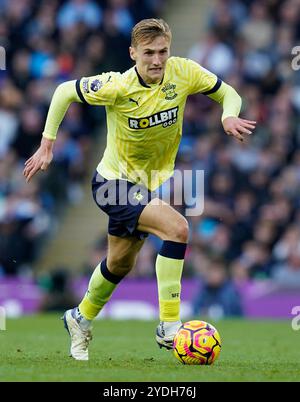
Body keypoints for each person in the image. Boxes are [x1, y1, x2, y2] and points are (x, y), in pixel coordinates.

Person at [23, 18, 256, 361]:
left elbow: (228, 93)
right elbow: (63, 92)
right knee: (178, 228)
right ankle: (169, 325)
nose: (157, 60)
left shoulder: (183, 72)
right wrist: (47, 144)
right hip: (111, 184)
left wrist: (228, 115)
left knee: (119, 264)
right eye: (148, 53)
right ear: (133, 53)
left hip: (144, 184)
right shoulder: (115, 86)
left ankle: (79, 317)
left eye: (163, 51)